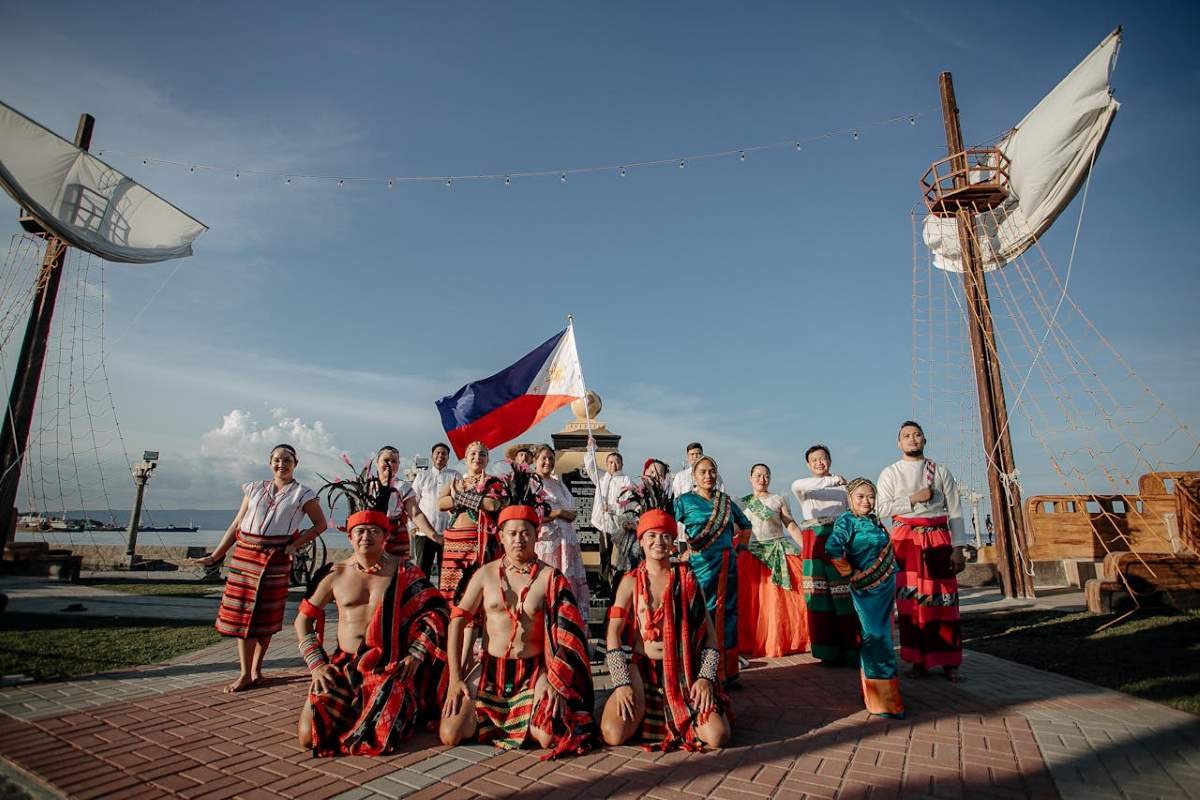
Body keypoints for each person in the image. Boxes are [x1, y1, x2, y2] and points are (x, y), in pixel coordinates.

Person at [439, 504, 595, 758]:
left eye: (525, 533)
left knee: (547, 738)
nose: (518, 539)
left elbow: (571, 635)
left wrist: (556, 680)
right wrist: (455, 679)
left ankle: (516, 718)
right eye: (512, 533)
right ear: (501, 536)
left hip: (533, 671)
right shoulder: (485, 574)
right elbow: (457, 620)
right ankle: (493, 719)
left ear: (536, 536)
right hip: (491, 669)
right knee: (450, 734)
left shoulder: (550, 578)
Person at [296, 509, 449, 755]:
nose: (366, 536)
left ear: (385, 536)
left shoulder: (404, 572)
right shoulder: (335, 574)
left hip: (388, 665)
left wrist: (417, 652)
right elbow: (302, 621)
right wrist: (317, 665)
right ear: (350, 537)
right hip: (343, 666)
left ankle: (403, 706)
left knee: (382, 734)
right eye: (359, 531)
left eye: (373, 531)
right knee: (307, 736)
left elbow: (438, 611)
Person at [195, 444, 328, 692]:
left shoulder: (303, 493)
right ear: (270, 463)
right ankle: (245, 673)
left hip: (275, 559)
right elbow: (236, 524)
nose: (282, 464)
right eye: (277, 460)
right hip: (245, 557)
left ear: (295, 464)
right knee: (243, 614)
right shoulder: (254, 488)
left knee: (265, 617)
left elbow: (320, 525)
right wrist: (215, 556)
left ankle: (257, 670)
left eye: (287, 460)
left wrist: (295, 545)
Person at [601, 508, 731, 751]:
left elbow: (711, 638)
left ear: (672, 542)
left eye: (665, 536)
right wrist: (621, 682)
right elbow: (613, 634)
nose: (658, 542)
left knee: (718, 736)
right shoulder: (630, 581)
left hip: (685, 671)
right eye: (651, 536)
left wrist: (704, 679)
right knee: (613, 735)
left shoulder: (688, 579)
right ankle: (611, 701)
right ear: (640, 541)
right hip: (643, 670)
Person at [876, 421, 968, 682]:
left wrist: (958, 548)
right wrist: (913, 499)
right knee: (910, 602)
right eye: (906, 436)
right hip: (905, 539)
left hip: (938, 538)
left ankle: (950, 661)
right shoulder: (890, 473)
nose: (912, 439)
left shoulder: (939, 471)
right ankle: (917, 660)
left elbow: (956, 512)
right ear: (899, 443)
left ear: (925, 440)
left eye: (917, 435)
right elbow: (881, 508)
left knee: (944, 601)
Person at [825, 479, 904, 719]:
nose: (866, 501)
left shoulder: (874, 520)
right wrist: (850, 572)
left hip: (885, 585)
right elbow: (832, 548)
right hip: (867, 589)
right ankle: (883, 700)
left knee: (883, 637)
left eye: (870, 496)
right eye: (860, 497)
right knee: (876, 637)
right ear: (850, 499)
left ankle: (877, 694)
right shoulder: (846, 521)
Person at [674, 455, 751, 685]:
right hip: (699, 565)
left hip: (727, 566)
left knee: (727, 613)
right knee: (698, 611)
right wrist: (679, 551)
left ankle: (727, 672)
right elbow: (669, 525)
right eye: (703, 472)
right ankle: (698, 669)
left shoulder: (725, 501)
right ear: (694, 477)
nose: (708, 476)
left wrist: (742, 548)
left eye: (712, 471)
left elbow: (745, 524)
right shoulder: (684, 501)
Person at [791, 444, 858, 667]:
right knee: (818, 595)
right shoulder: (803, 487)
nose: (820, 462)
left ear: (830, 460)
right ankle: (826, 652)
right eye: (814, 460)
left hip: (839, 538)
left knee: (844, 593)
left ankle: (851, 649)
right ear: (808, 464)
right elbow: (799, 484)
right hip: (814, 539)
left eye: (823, 458)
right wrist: (834, 480)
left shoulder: (844, 488)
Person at [736, 464, 808, 658]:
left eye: (766, 475)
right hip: (752, 554)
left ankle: (782, 639)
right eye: (758, 475)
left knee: (781, 600)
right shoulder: (742, 503)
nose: (762, 479)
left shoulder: (779, 499)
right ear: (750, 478)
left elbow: (790, 525)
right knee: (752, 603)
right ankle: (751, 641)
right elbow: (736, 530)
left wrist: (806, 549)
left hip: (777, 551)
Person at [437, 441, 506, 600]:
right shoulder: (456, 482)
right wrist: (475, 498)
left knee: (478, 584)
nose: (477, 457)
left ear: (487, 460)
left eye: (482, 454)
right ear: (465, 459)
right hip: (454, 541)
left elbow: (492, 504)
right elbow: (441, 504)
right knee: (452, 586)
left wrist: (459, 497)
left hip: (479, 540)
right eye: (473, 454)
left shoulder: (493, 482)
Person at [531, 446, 589, 621]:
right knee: (548, 581)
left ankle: (567, 623)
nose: (548, 462)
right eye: (544, 458)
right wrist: (558, 513)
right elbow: (532, 513)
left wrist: (567, 514)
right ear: (535, 460)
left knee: (567, 581)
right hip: (548, 541)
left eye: (551, 458)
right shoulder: (532, 483)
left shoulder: (558, 483)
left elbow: (570, 509)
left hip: (566, 541)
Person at [582, 436, 635, 595]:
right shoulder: (601, 477)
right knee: (604, 556)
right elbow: (589, 465)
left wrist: (612, 508)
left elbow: (628, 502)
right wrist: (591, 448)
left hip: (619, 526)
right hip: (603, 525)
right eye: (610, 462)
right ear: (606, 464)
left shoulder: (625, 480)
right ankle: (603, 585)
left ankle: (620, 586)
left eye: (617, 462)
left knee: (622, 557)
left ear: (622, 464)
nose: (614, 465)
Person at [375, 446, 440, 563]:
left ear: (398, 464)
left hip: (395, 535)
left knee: (396, 572)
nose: (390, 464)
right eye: (386, 460)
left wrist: (433, 535)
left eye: (394, 461)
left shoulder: (403, 487)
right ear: (377, 462)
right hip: (372, 533)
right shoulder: (367, 486)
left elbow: (415, 514)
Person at [412, 443, 461, 579]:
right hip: (424, 532)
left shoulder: (455, 475)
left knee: (447, 571)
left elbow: (460, 501)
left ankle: (444, 599)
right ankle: (422, 599)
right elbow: (413, 502)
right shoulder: (422, 476)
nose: (440, 456)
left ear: (448, 457)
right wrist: (413, 526)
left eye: (444, 453)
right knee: (422, 570)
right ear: (432, 456)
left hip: (448, 532)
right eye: (437, 453)